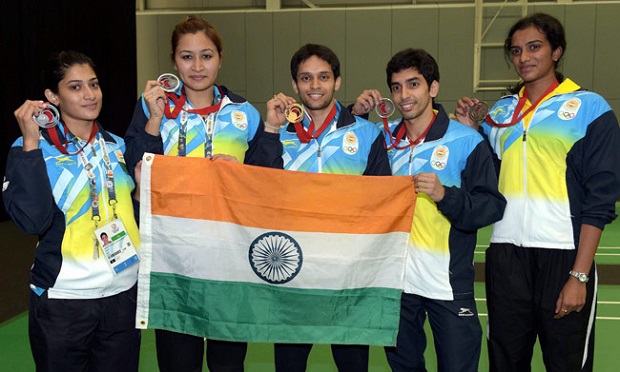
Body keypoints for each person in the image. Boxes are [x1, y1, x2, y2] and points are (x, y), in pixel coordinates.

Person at [454, 13, 620, 371]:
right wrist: (470, 129)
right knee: (506, 361)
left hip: (565, 256)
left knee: (567, 363)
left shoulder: (590, 108)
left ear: (556, 51)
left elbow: (601, 198)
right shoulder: (500, 113)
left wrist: (579, 275)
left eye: (534, 47)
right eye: (516, 50)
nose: (524, 57)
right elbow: (481, 178)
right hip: (506, 257)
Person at [124, 16, 282, 372]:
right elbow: (135, 170)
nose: (197, 67)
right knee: (179, 362)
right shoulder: (153, 106)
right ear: (173, 61)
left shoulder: (243, 113)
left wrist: (237, 173)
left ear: (221, 58)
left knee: (228, 364)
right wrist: (153, 119)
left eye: (206, 56)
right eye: (187, 57)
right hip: (174, 258)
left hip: (229, 254)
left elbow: (265, 181)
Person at [351, 48, 506, 371]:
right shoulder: (382, 140)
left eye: (413, 84)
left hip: (446, 283)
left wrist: (444, 195)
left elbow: (491, 206)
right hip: (395, 283)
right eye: (397, 87)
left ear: (433, 88)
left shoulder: (466, 141)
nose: (404, 95)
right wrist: (357, 113)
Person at [3, 51, 141, 371]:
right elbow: (31, 220)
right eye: (75, 87)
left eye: (93, 84)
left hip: (122, 296)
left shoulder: (116, 147)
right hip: (64, 301)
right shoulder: (33, 150)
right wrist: (30, 144)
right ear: (53, 96)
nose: (90, 94)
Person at [264, 43, 391, 371]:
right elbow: (258, 185)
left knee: (352, 363)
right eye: (306, 78)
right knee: (290, 363)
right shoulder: (280, 134)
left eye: (323, 77)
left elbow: (380, 198)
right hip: (293, 268)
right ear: (294, 85)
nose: (315, 85)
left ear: (337, 81)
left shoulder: (366, 133)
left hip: (347, 271)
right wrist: (270, 129)